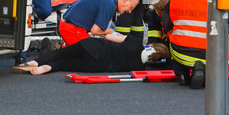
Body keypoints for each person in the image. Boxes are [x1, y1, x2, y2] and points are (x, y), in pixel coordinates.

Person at [11, 35, 169, 75]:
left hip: (94, 47)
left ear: (151, 46)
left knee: (59, 53)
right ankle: (45, 68)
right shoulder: (139, 67)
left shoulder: (135, 43)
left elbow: (109, 37)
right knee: (62, 65)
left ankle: (35, 62)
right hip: (96, 65)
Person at [161, 0, 209, 89]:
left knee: (172, 35)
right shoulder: (215, 0)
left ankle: (182, 73)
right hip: (209, 54)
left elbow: (166, 26)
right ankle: (203, 70)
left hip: (180, 52)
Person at [58, 0, 140, 46]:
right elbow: (95, 31)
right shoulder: (109, 4)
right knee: (93, 55)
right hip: (72, 29)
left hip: (69, 25)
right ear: (126, 0)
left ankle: (63, 48)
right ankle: (59, 50)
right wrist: (111, 31)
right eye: (131, 7)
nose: (129, 11)